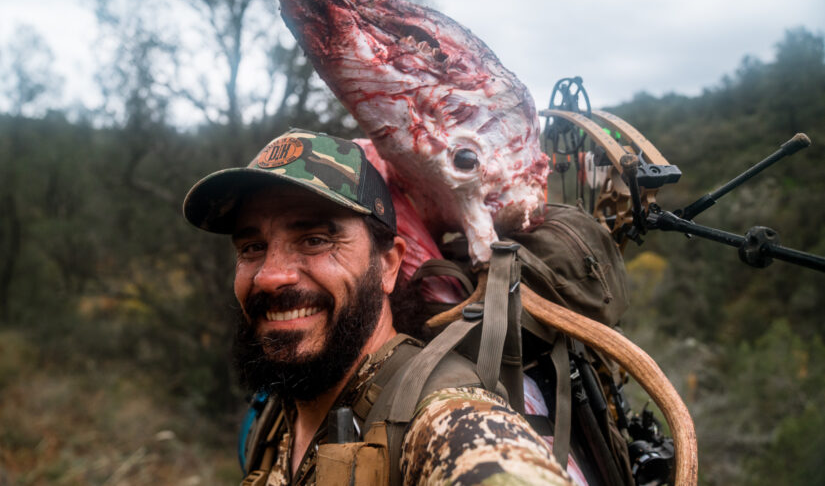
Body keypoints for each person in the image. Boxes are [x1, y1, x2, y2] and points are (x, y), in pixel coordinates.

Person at [183, 129, 572, 485]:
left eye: (315, 240)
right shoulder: (274, 417)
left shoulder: (451, 421)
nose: (270, 276)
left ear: (388, 265)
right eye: (252, 247)